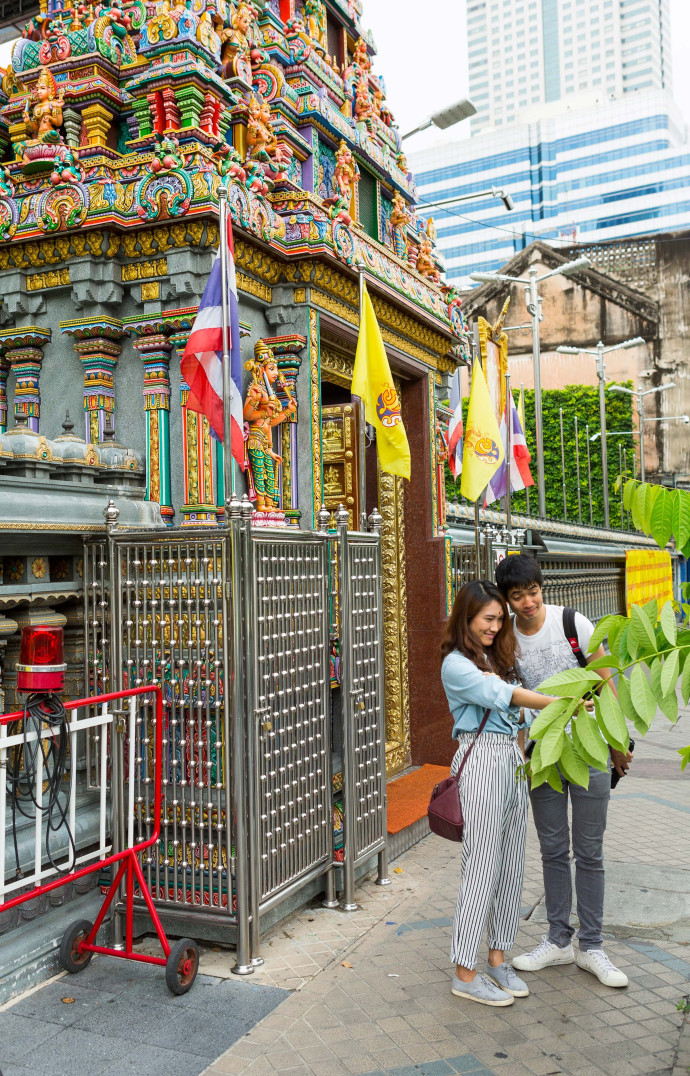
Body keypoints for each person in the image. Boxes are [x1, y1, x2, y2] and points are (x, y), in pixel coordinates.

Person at [495, 554, 633, 989]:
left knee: (589, 851)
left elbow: (606, 681)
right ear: (507, 599)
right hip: (543, 755)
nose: (528, 603)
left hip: (589, 749)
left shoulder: (573, 622)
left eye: (532, 592)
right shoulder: (506, 640)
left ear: (542, 587)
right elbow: (511, 700)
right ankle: (557, 940)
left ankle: (592, 947)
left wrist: (616, 743)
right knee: (553, 850)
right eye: (517, 596)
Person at [441, 579, 573, 1008]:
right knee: (481, 866)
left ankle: (498, 958)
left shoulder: (496, 658)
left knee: (512, 864)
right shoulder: (456, 665)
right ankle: (464, 971)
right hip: (479, 762)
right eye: (488, 619)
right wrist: (560, 702)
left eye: (500, 619)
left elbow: (516, 719)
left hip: (512, 764)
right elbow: (503, 697)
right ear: (467, 617)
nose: (496, 627)